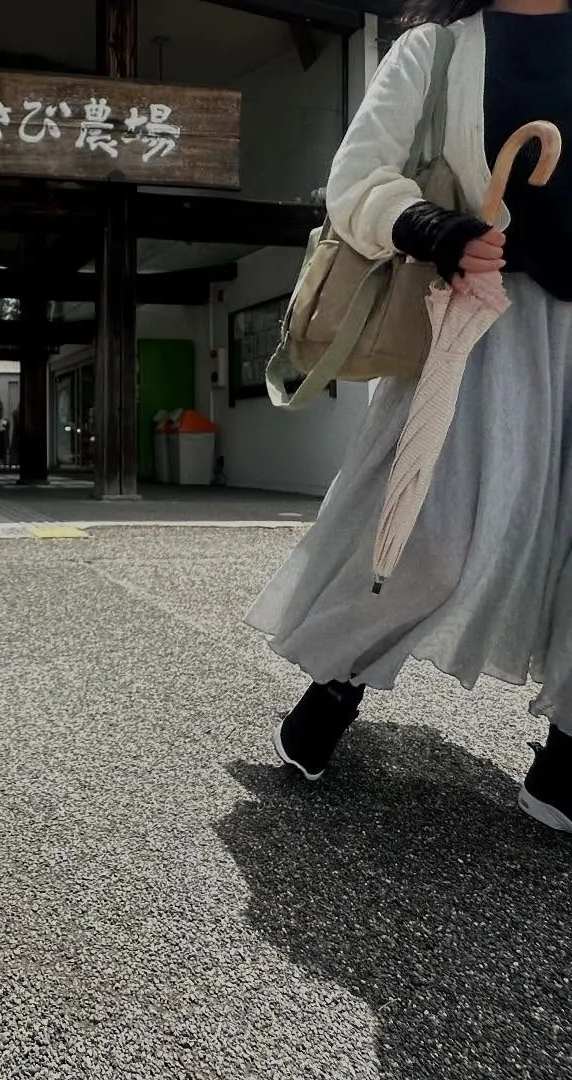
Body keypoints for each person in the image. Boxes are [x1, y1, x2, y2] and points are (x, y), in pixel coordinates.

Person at [246, 0, 572, 834]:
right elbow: (358, 178)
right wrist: (434, 226)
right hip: (478, 323)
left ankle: (568, 755)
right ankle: (338, 673)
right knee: (431, 541)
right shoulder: (436, 51)